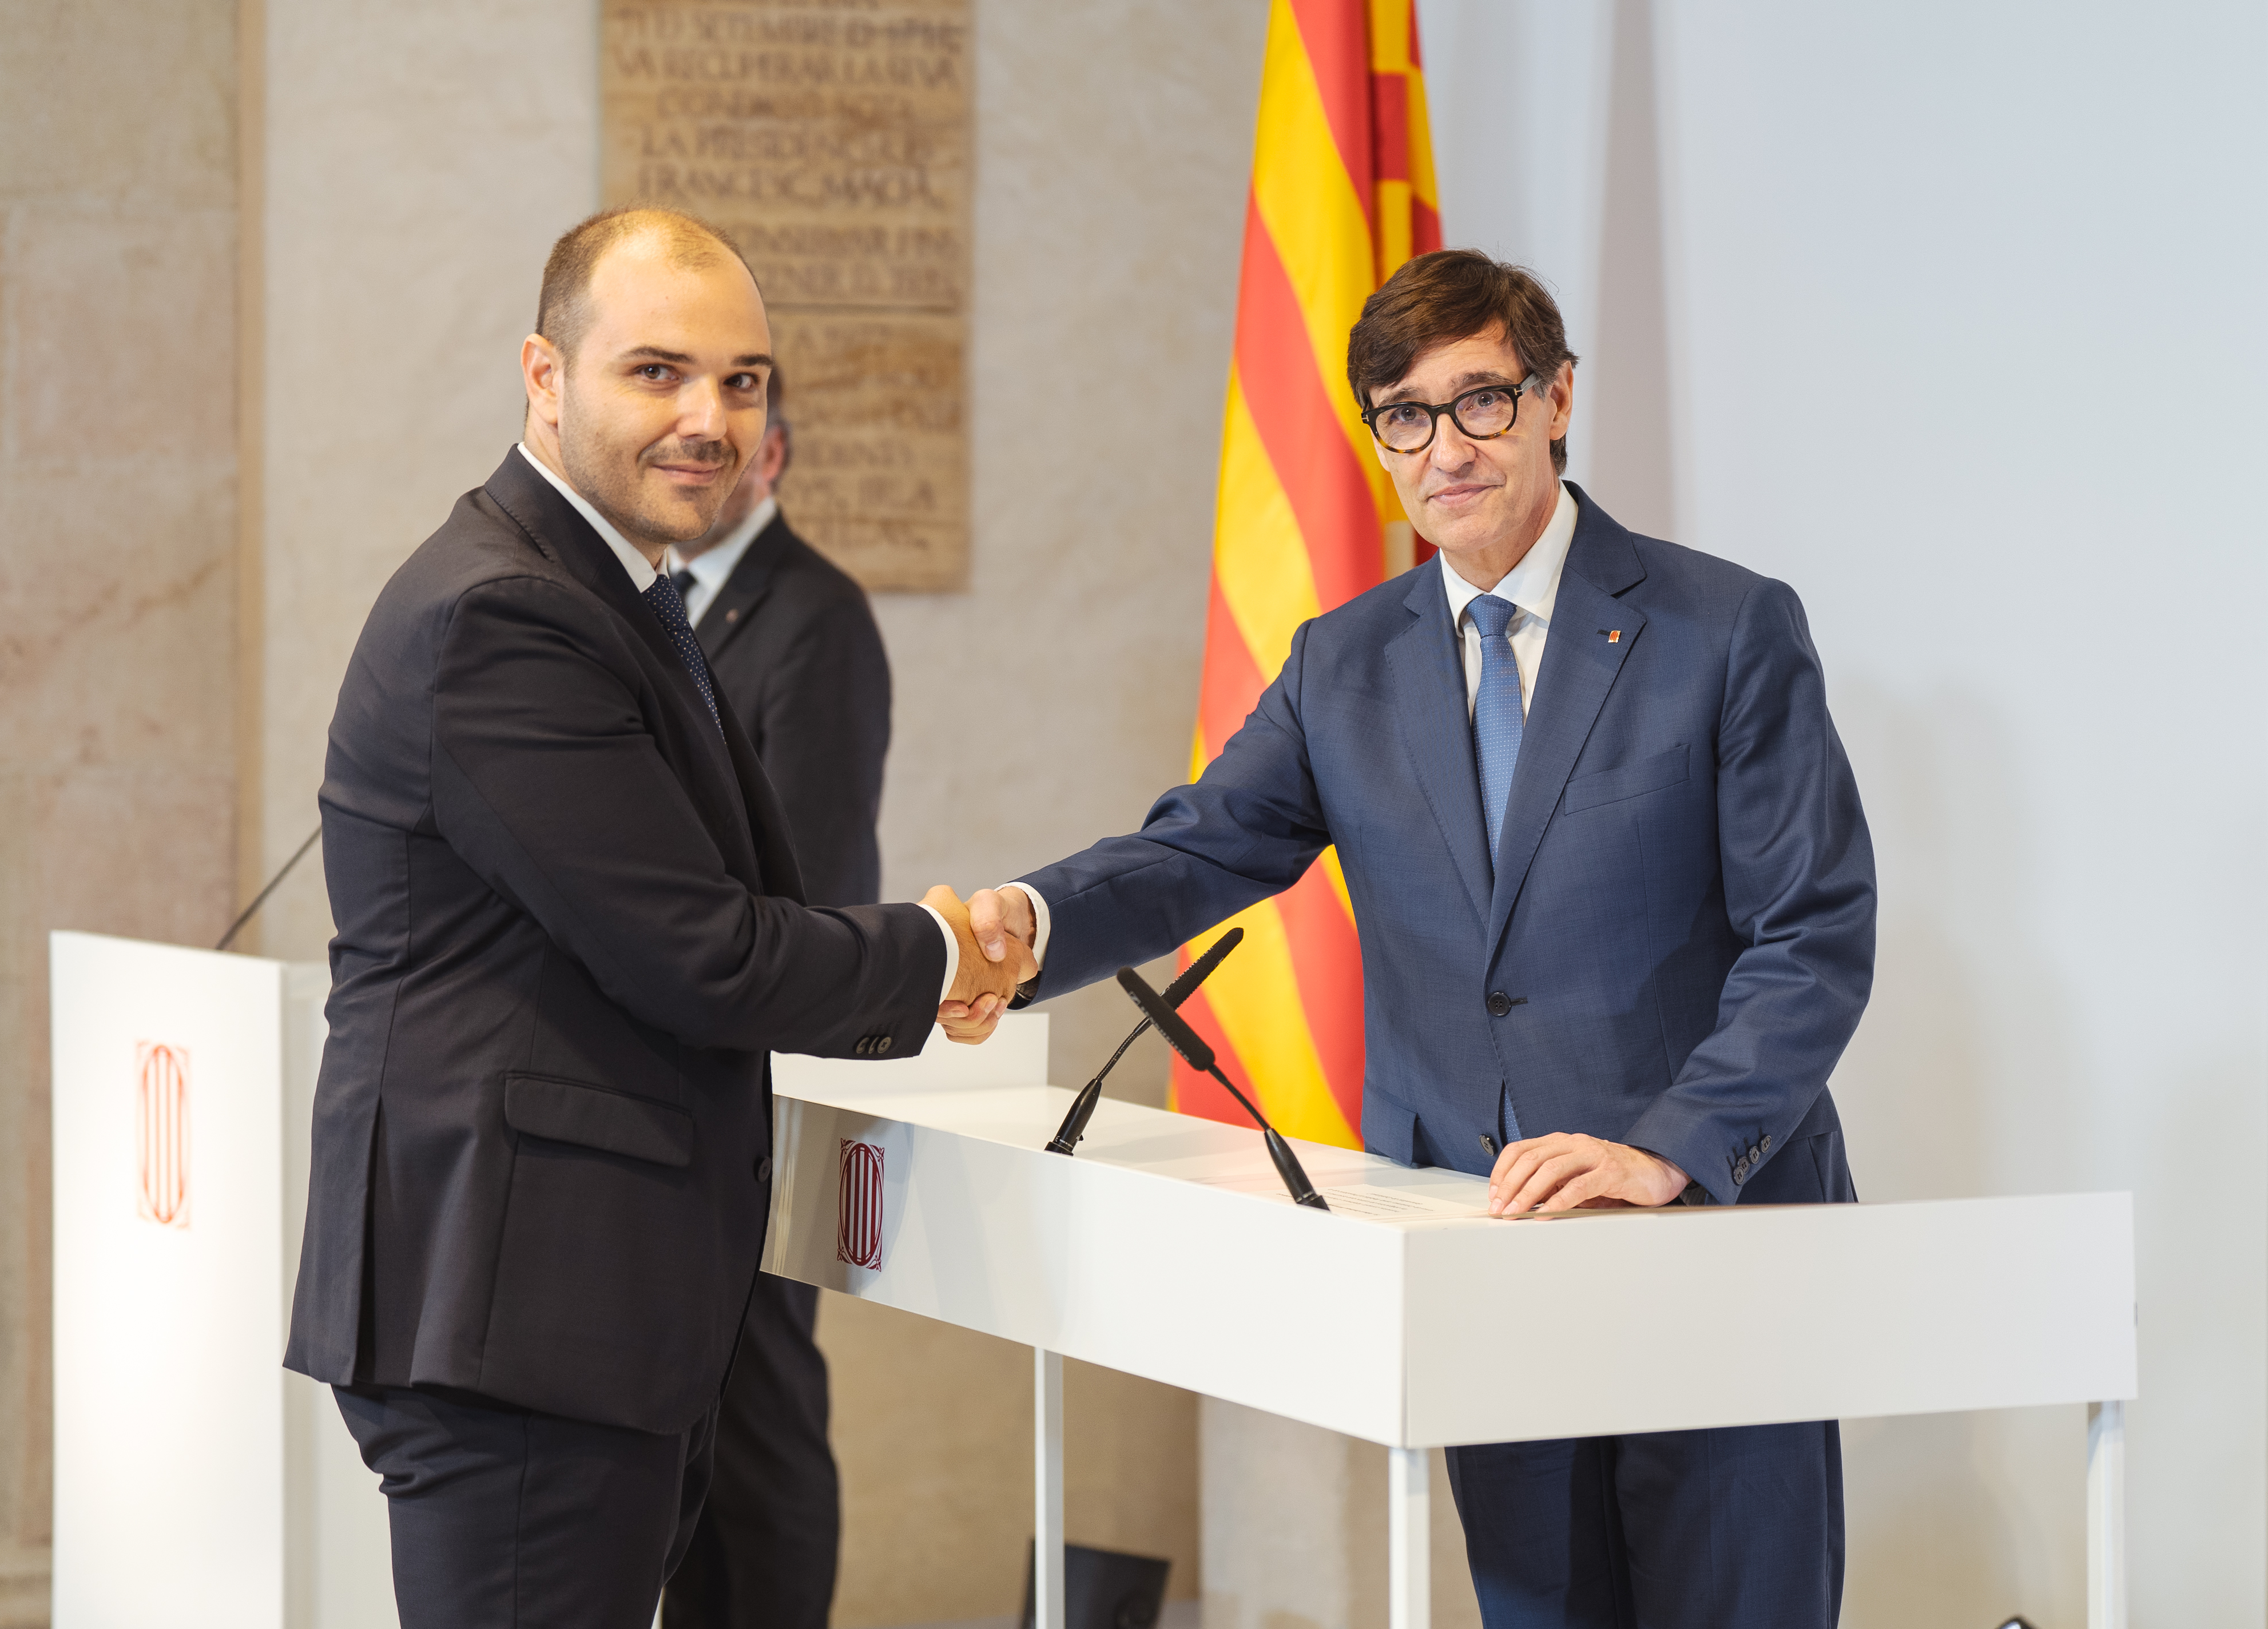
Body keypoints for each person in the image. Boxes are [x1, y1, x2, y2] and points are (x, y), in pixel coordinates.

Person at [948, 249, 1874, 1628]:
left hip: (1712, 1246)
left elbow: (1813, 933)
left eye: (1482, 400)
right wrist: (1032, 922)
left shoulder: (1725, 628)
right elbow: (1199, 845)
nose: (1445, 446)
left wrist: (1667, 1144)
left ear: (1559, 399)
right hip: (1476, 1235)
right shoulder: (1345, 662)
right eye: (1404, 413)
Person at [283, 205, 1030, 1629]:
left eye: (743, 380)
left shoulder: (613, 589)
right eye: (657, 372)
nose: (710, 417)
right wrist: (940, 947)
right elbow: (707, 950)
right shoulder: (504, 611)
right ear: (545, 377)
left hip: (584, 1316)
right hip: (518, 1325)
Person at [660, 374, 880, 1629]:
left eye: (722, 442)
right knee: (696, 1423)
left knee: (764, 1414)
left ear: (775, 453)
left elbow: (820, 880)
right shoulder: (653, 609)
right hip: (672, 1083)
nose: (695, 461)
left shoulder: (817, 617)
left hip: (763, 1081)